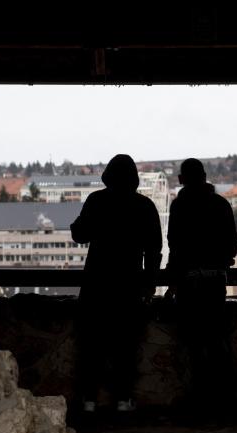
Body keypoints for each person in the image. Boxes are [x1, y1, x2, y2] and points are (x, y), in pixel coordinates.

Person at [70, 154, 162, 414]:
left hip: (96, 282)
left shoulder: (97, 201)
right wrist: (150, 284)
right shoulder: (144, 206)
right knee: (125, 346)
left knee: (91, 346)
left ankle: (88, 400)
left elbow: (79, 234)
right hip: (129, 283)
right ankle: (123, 399)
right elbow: (153, 250)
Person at [166, 158, 237, 413]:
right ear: (205, 176)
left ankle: (200, 399)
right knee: (216, 337)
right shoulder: (220, 205)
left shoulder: (179, 207)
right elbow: (232, 244)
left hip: (189, 283)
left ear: (181, 180)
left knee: (195, 342)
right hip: (215, 281)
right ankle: (224, 397)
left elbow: (175, 246)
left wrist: (171, 283)